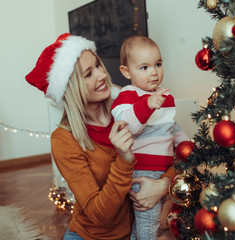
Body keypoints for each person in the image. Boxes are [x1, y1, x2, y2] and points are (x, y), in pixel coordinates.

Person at [25, 33, 177, 240]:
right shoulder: (64, 140)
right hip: (92, 236)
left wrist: (163, 184)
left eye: (98, 65)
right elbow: (99, 216)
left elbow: (172, 152)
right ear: (71, 89)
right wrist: (124, 160)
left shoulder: (131, 105)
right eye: (88, 74)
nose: (102, 75)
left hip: (138, 231)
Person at [111, 36, 189, 240]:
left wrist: (185, 143)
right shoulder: (127, 95)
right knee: (149, 223)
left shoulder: (166, 97)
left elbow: (170, 126)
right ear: (126, 72)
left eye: (158, 64)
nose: (154, 72)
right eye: (144, 67)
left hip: (164, 168)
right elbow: (127, 125)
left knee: (152, 221)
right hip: (143, 169)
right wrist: (147, 105)